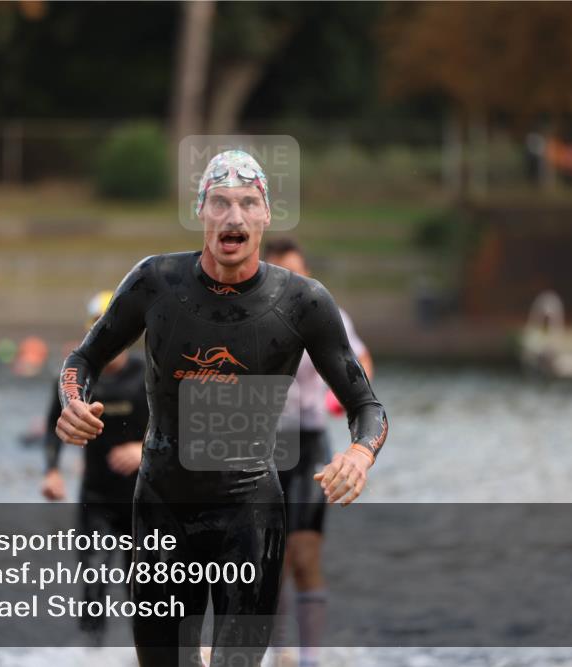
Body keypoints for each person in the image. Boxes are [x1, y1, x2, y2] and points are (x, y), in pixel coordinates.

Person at [55, 150, 388, 666]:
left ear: (265, 215)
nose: (234, 217)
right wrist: (72, 401)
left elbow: (365, 404)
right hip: (162, 506)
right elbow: (84, 358)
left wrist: (361, 454)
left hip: (249, 510)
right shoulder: (155, 282)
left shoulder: (304, 302)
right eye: (221, 203)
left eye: (248, 203)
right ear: (201, 213)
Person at [263, 238, 373, 667]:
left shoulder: (325, 311)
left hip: (309, 443)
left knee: (304, 557)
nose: (288, 283)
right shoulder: (250, 315)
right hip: (262, 448)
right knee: (270, 564)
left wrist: (343, 396)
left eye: (295, 273)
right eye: (279, 274)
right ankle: (276, 654)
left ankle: (309, 659)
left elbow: (362, 360)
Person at [40, 291, 148, 644]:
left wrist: (143, 448)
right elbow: (53, 425)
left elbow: (183, 426)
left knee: (142, 590)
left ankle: (144, 657)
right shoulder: (78, 378)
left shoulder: (148, 374)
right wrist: (52, 471)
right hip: (97, 498)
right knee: (94, 579)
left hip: (141, 501)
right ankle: (91, 656)